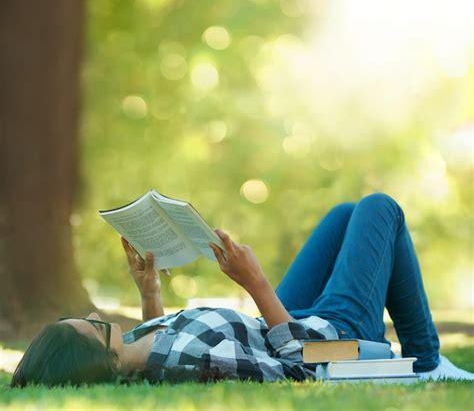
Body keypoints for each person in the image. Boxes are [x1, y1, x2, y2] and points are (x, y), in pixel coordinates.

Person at [11, 193, 474, 387]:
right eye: (93, 330)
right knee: (378, 208)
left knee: (342, 215)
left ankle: (429, 358)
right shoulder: (190, 364)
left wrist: (149, 290)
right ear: (102, 359)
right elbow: (300, 365)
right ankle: (428, 362)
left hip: (284, 320)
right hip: (327, 339)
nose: (97, 320)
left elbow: (159, 328)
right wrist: (253, 281)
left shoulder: (135, 349)